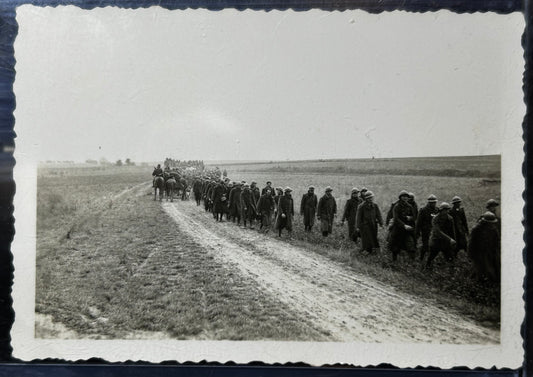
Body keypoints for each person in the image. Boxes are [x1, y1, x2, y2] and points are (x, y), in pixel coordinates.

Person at [469, 211, 500, 282]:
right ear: (485, 222)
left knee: (494, 268)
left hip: (491, 251)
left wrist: (496, 251)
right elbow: (471, 243)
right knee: (482, 269)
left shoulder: (494, 229)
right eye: (489, 223)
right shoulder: (477, 229)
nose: (491, 225)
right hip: (479, 252)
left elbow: (497, 240)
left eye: (492, 223)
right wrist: (471, 254)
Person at [426, 202, 457, 269]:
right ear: (441, 210)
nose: (446, 211)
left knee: (450, 257)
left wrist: (454, 240)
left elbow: (452, 231)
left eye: (447, 210)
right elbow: (437, 231)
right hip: (436, 240)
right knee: (431, 256)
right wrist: (450, 239)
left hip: (445, 242)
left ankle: (452, 271)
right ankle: (427, 267)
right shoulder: (435, 218)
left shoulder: (450, 218)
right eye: (444, 210)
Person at [389, 190, 417, 261]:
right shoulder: (396, 206)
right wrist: (404, 225)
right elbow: (396, 218)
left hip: (407, 230)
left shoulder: (410, 206)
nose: (405, 198)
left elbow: (414, 217)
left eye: (406, 197)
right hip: (398, 229)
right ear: (400, 197)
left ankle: (412, 262)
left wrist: (410, 218)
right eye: (403, 196)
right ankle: (394, 261)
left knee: (411, 245)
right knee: (395, 247)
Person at [415, 194, 439, 261]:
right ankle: (421, 258)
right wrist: (417, 232)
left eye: (434, 202)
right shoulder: (423, 210)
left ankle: (431, 259)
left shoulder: (437, 210)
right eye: (432, 202)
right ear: (429, 202)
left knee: (434, 245)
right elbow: (418, 223)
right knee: (425, 245)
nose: (433, 204)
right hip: (426, 231)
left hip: (434, 231)